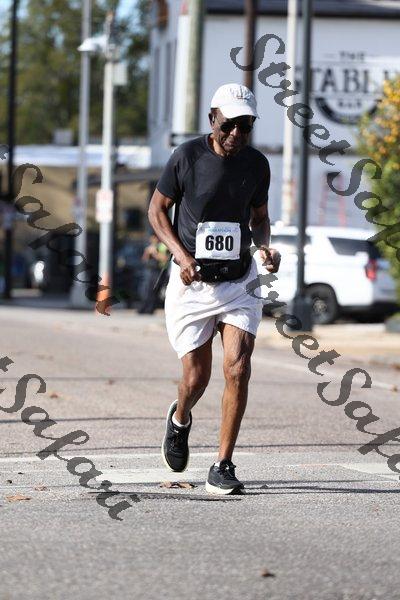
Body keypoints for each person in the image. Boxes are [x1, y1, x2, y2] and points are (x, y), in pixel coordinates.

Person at [148, 83, 281, 495]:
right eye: (229, 125)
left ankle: (222, 465)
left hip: (239, 281)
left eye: (246, 126)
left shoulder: (256, 165)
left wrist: (264, 247)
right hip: (192, 284)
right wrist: (181, 256)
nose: (237, 134)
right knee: (196, 378)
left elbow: (259, 217)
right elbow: (157, 210)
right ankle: (180, 418)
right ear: (212, 119)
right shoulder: (186, 157)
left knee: (238, 368)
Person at [137, 234, 169, 314]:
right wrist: (147, 252)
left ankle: (150, 308)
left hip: (159, 271)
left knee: (154, 290)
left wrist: (155, 253)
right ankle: (144, 308)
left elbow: (165, 259)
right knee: (146, 290)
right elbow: (144, 260)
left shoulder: (163, 246)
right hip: (150, 271)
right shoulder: (150, 247)